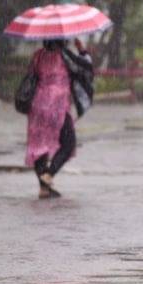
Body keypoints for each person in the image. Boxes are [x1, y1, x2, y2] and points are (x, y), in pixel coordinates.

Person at [24, 39, 94, 198]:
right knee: (68, 143)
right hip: (57, 105)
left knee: (39, 146)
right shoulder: (65, 55)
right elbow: (86, 69)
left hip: (37, 106)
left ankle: (44, 189)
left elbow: (32, 77)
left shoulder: (38, 56)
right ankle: (48, 175)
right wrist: (82, 50)